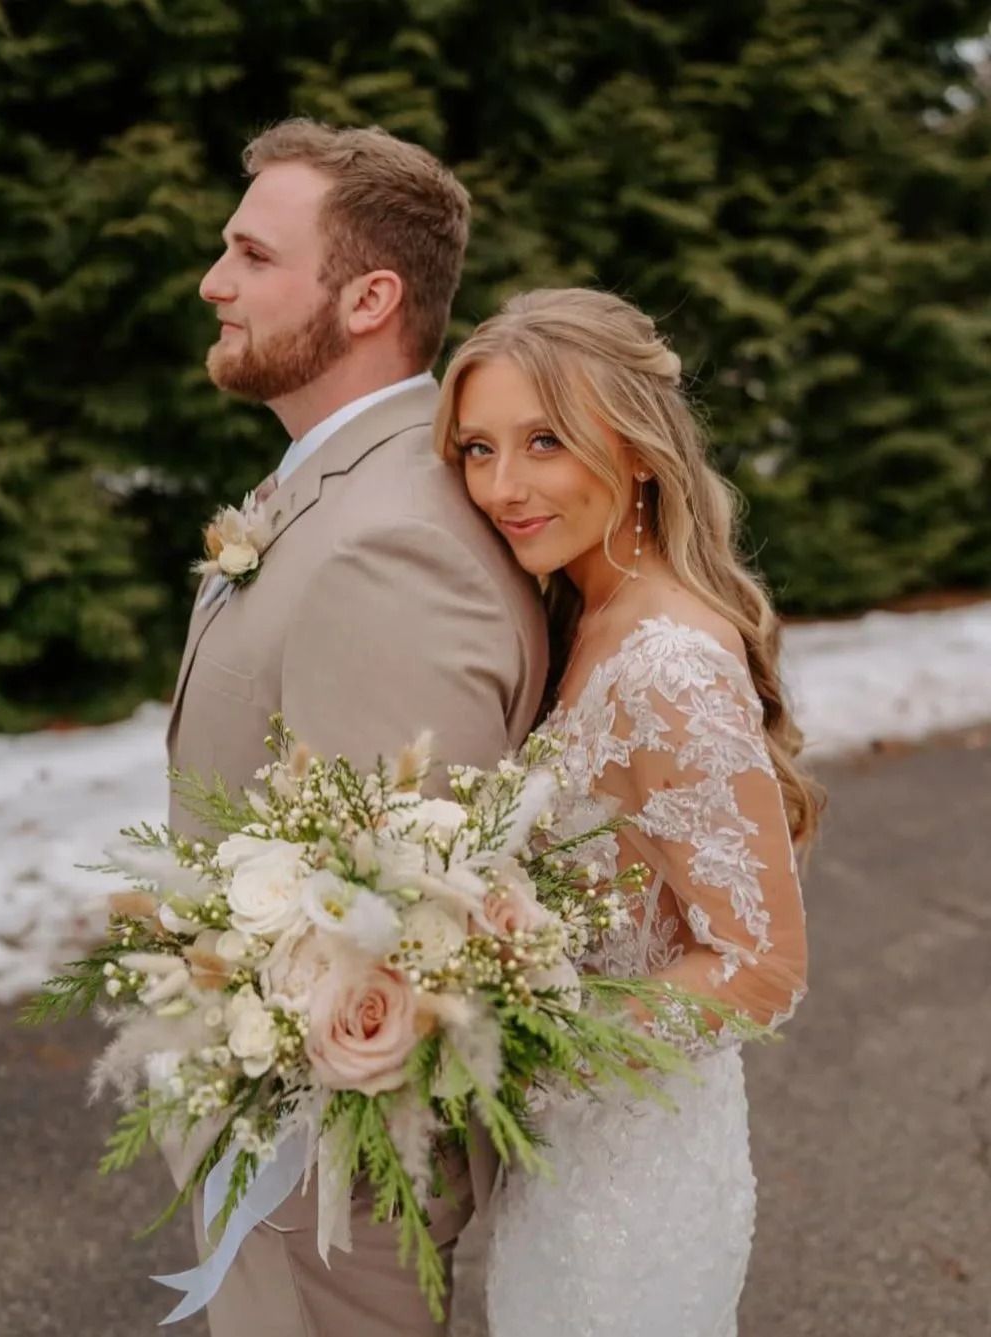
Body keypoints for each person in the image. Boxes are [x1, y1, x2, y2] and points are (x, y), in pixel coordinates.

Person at [165, 119, 548, 1337]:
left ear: (370, 295)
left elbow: (414, 927)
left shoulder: (394, 538)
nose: (214, 280)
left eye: (251, 254)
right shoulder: (327, 488)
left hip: (329, 1185)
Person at [434, 287, 818, 1337]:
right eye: (476, 448)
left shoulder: (670, 667)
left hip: (635, 1189)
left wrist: (523, 1039)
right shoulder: (575, 612)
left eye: (544, 441)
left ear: (636, 446)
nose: (502, 486)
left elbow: (762, 965)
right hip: (564, 1165)